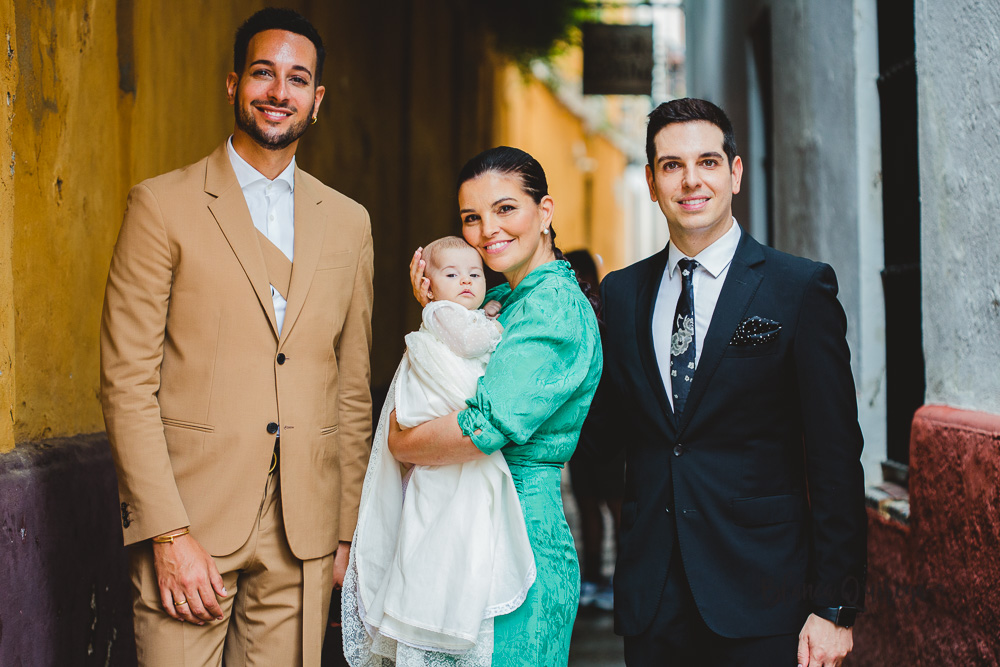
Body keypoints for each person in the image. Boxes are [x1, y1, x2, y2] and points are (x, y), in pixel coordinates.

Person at [100, 9, 373, 665]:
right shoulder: (160, 206)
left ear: (318, 98)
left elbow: (353, 388)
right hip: (191, 524)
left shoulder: (349, 222)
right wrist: (166, 531)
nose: (279, 92)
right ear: (232, 84)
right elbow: (125, 383)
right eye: (263, 73)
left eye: (297, 78)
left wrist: (345, 534)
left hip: (301, 537)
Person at [587, 98, 867, 666]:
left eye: (708, 162)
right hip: (653, 600)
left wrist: (836, 607)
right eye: (671, 165)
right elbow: (603, 434)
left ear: (734, 174)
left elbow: (837, 457)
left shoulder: (798, 289)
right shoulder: (620, 294)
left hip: (765, 597)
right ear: (650, 181)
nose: (691, 180)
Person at [385, 147, 602, 666]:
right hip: (478, 526)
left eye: (505, 209)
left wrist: (400, 443)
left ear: (544, 211)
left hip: (520, 538)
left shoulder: (550, 307)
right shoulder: (510, 297)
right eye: (471, 218)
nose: (487, 231)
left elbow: (485, 424)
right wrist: (440, 315)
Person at [343, 236, 535, 665]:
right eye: (451, 275)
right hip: (445, 433)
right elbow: (468, 344)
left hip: (454, 447)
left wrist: (480, 313)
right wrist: (498, 327)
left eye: (474, 275)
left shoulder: (457, 313)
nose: (466, 282)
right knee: (442, 533)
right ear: (427, 285)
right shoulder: (442, 313)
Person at [564, 249, 623, 612]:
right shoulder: (570, 312)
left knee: (615, 506)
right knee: (590, 504)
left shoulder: (606, 311)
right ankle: (593, 579)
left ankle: (615, 579)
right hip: (585, 426)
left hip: (610, 425)